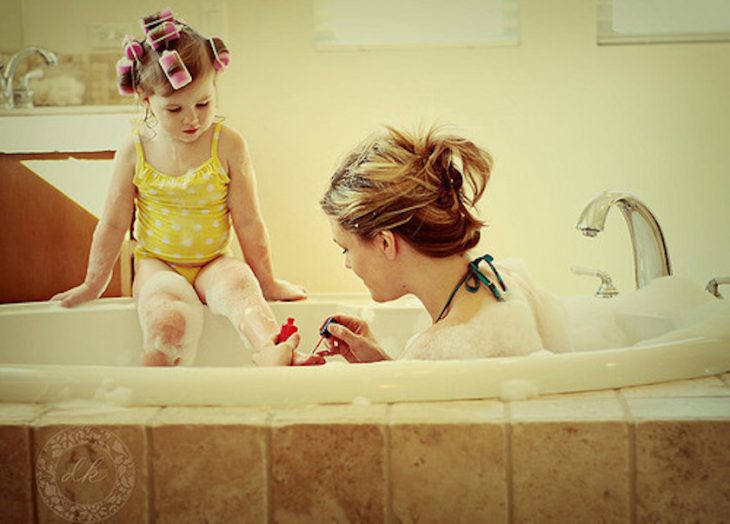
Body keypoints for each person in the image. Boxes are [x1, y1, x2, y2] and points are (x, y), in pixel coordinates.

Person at [52, 9, 305, 366]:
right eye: (174, 109)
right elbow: (112, 224)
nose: (192, 118)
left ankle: (272, 352)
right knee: (167, 318)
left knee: (241, 290)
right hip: (158, 264)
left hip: (214, 261)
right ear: (145, 99)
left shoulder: (228, 144)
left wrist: (269, 281)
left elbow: (249, 222)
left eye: (204, 103)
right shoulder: (134, 150)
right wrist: (93, 284)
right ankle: (157, 391)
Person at [318, 126, 573, 362]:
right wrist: (383, 365)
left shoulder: (432, 352)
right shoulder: (505, 280)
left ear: (386, 243)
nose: (348, 264)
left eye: (346, 249)